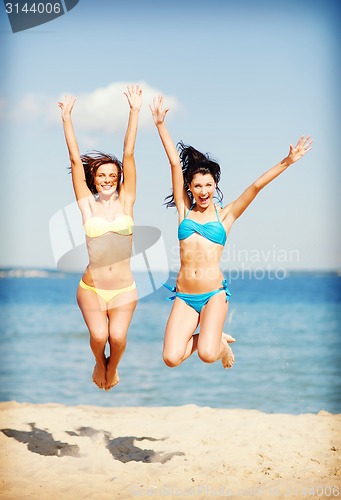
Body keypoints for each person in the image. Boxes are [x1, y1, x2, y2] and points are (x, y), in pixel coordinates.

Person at [150, 95, 312, 370]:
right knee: (171, 358)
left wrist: (287, 161)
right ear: (190, 187)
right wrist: (160, 124)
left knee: (208, 354)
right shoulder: (184, 211)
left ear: (215, 185)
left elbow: (256, 186)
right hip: (185, 296)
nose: (203, 191)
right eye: (197, 186)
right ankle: (211, 337)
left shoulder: (226, 215)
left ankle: (218, 344)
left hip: (214, 294)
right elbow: (175, 165)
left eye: (209, 185)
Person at [58, 85, 142, 390]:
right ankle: (98, 362)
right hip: (91, 287)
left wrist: (134, 112)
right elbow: (74, 159)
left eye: (112, 176)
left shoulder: (127, 201)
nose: (107, 180)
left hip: (124, 289)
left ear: (119, 179)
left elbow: (128, 153)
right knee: (99, 337)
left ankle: (112, 368)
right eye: (101, 176)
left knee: (117, 338)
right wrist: (67, 119)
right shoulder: (86, 204)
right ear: (93, 179)